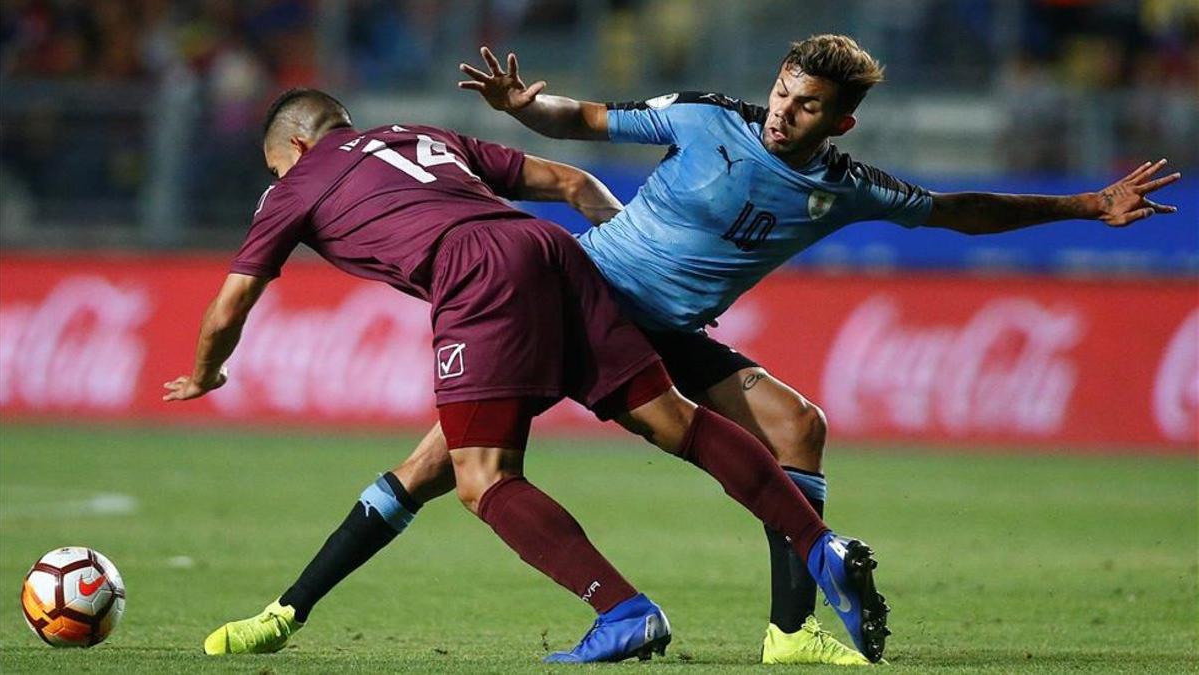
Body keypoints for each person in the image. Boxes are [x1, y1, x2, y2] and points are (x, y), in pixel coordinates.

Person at [203, 35, 1180, 665]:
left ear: (837, 122)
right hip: (582, 289)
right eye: (782, 92)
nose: (781, 111)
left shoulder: (844, 183)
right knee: (444, 471)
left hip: (655, 324)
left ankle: (791, 631)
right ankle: (287, 613)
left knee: (797, 426)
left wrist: (1087, 206)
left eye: (804, 107)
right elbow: (583, 123)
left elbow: (956, 210)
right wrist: (519, 109)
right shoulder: (708, 117)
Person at [169, 87, 891, 664]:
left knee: (481, 476)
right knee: (670, 419)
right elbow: (570, 180)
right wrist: (626, 278)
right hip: (553, 250)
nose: (279, 182)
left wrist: (206, 372)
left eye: (277, 169)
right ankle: (820, 545)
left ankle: (624, 611)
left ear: (296, 146)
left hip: (476, 275)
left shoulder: (294, 186)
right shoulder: (421, 137)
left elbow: (233, 300)